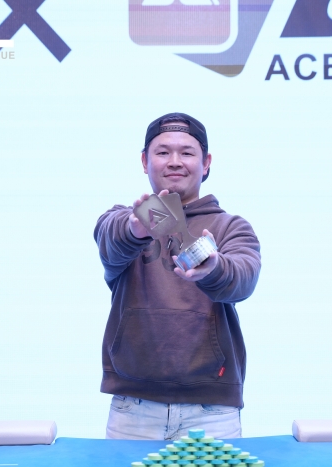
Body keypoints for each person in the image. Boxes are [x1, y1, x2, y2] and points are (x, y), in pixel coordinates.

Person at [94, 112, 261, 441]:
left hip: (212, 411)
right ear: (145, 161)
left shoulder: (231, 227)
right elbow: (112, 241)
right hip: (133, 407)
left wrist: (213, 268)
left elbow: (243, 279)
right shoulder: (119, 221)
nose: (174, 161)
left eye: (186, 152)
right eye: (162, 152)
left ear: (206, 163)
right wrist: (136, 227)